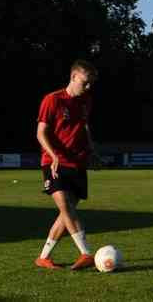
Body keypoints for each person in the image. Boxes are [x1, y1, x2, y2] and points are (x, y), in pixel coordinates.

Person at [34, 60, 98, 270]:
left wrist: (91, 148)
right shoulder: (52, 100)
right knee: (65, 205)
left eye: (91, 84)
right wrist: (53, 155)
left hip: (78, 163)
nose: (88, 88)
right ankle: (86, 253)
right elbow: (41, 133)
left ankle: (43, 258)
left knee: (66, 212)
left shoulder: (86, 100)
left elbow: (84, 126)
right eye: (85, 83)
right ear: (73, 77)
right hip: (54, 163)